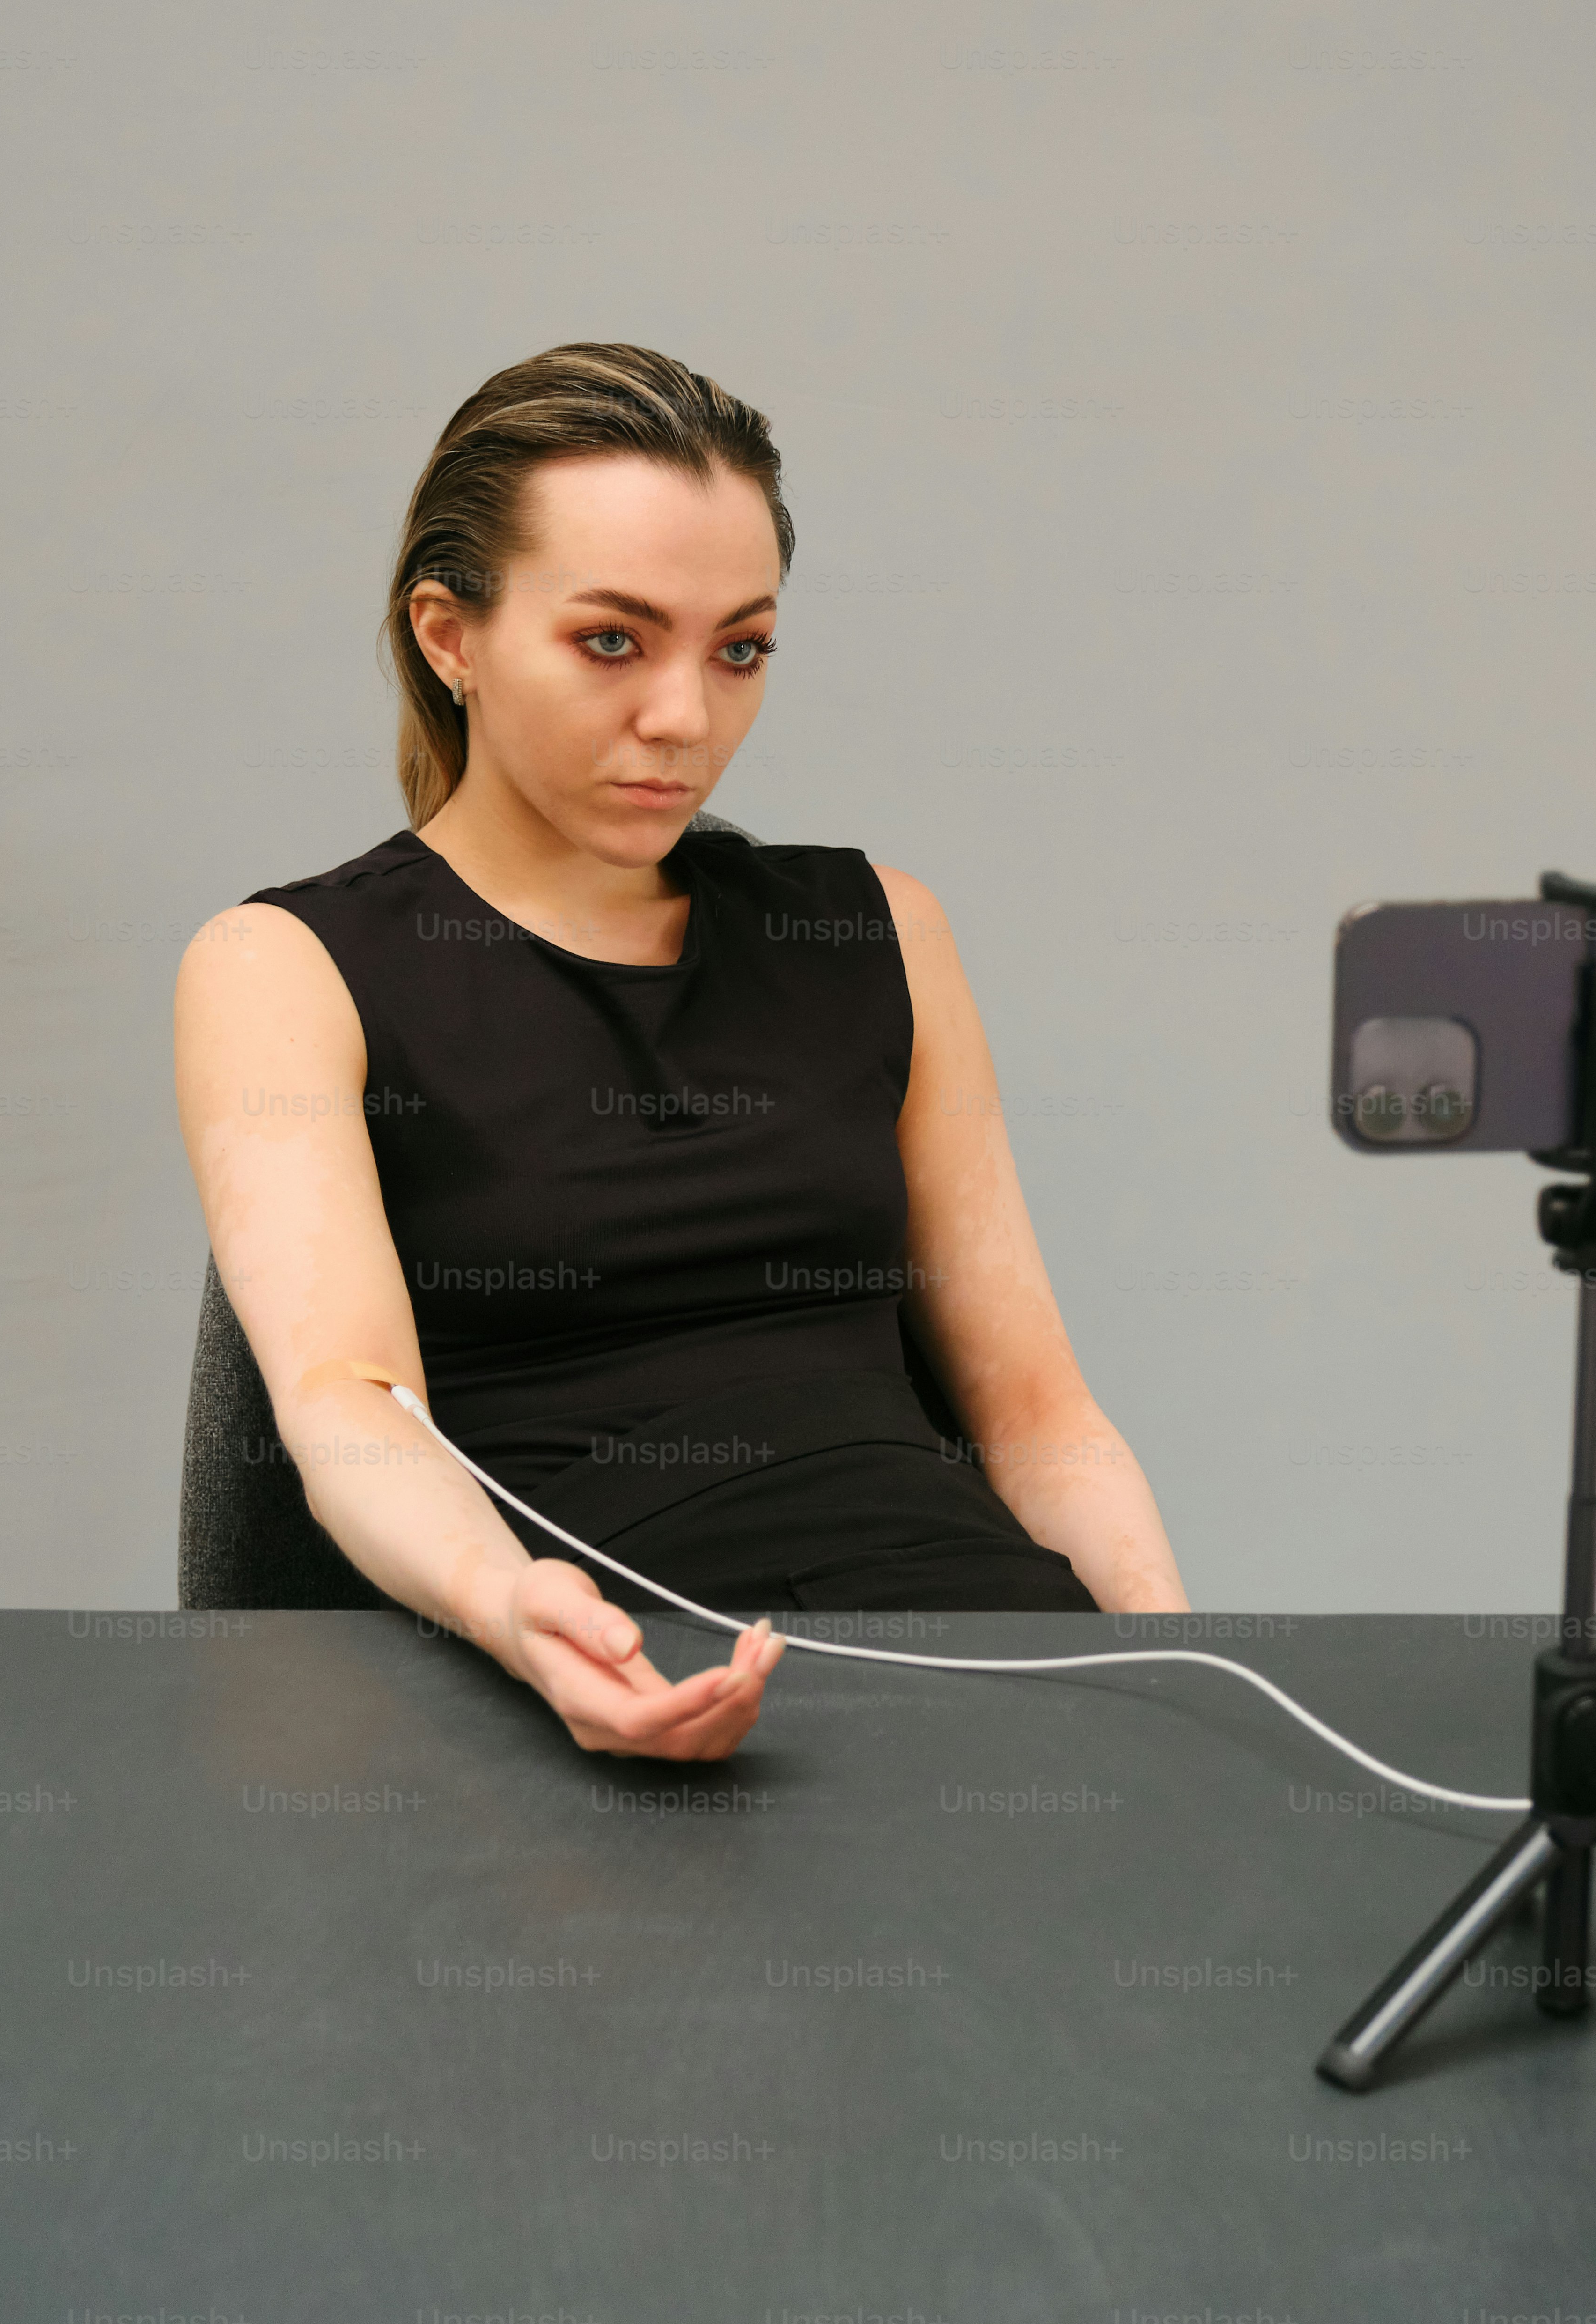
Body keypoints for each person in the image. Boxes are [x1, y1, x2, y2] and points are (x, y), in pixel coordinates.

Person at [173, 342, 1190, 1763]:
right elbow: (348, 1402)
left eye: (740, 649)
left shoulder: (877, 930)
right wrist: (515, 1610)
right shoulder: (286, 966)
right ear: (450, 637)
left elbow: (1038, 1411)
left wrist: (1184, 1668)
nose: (685, 719)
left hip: (981, 1648)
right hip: (604, 1669)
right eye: (612, 641)